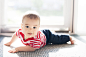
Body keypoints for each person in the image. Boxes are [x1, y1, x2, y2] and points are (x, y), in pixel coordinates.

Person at [4, 11, 74, 53]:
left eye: (34, 27)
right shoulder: (20, 32)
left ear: (38, 28)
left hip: (47, 37)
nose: (30, 30)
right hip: (42, 33)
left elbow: (32, 48)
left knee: (58, 39)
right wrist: (10, 42)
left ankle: (69, 37)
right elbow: (15, 35)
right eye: (27, 26)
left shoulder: (36, 39)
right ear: (22, 26)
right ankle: (52, 32)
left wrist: (18, 48)